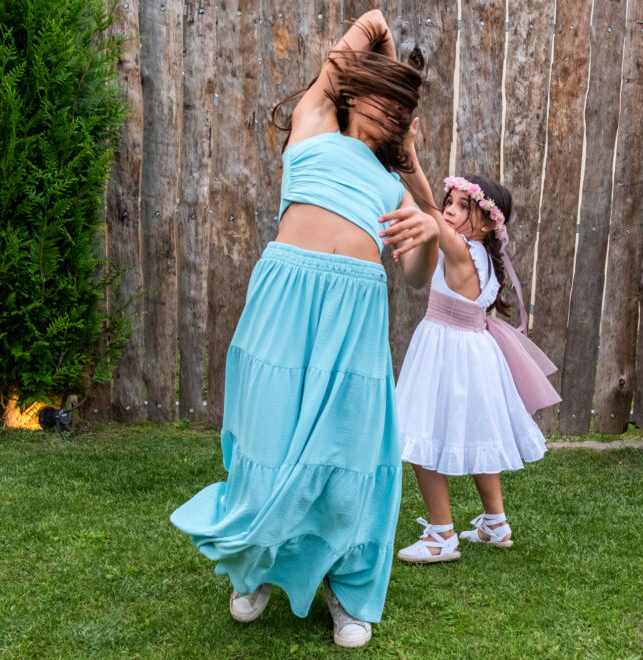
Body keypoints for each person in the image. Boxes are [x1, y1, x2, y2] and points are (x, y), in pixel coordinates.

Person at [169, 10, 438, 648]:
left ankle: (348, 594)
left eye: (399, 112)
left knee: (349, 454)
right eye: (381, 100)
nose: (388, 114)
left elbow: (419, 276)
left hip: (356, 317)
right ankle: (256, 565)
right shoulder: (313, 122)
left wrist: (427, 222)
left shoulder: (391, 185)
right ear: (354, 92)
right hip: (287, 299)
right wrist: (391, 68)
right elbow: (368, 22)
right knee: (269, 437)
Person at [393, 118, 561, 564]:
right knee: (477, 436)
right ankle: (494, 522)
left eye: (462, 206)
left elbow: (424, 206)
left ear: (487, 223)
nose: (448, 209)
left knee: (420, 433)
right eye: (450, 201)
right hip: (475, 352)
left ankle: (441, 535)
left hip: (445, 349)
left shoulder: (462, 250)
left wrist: (407, 151)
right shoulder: (487, 259)